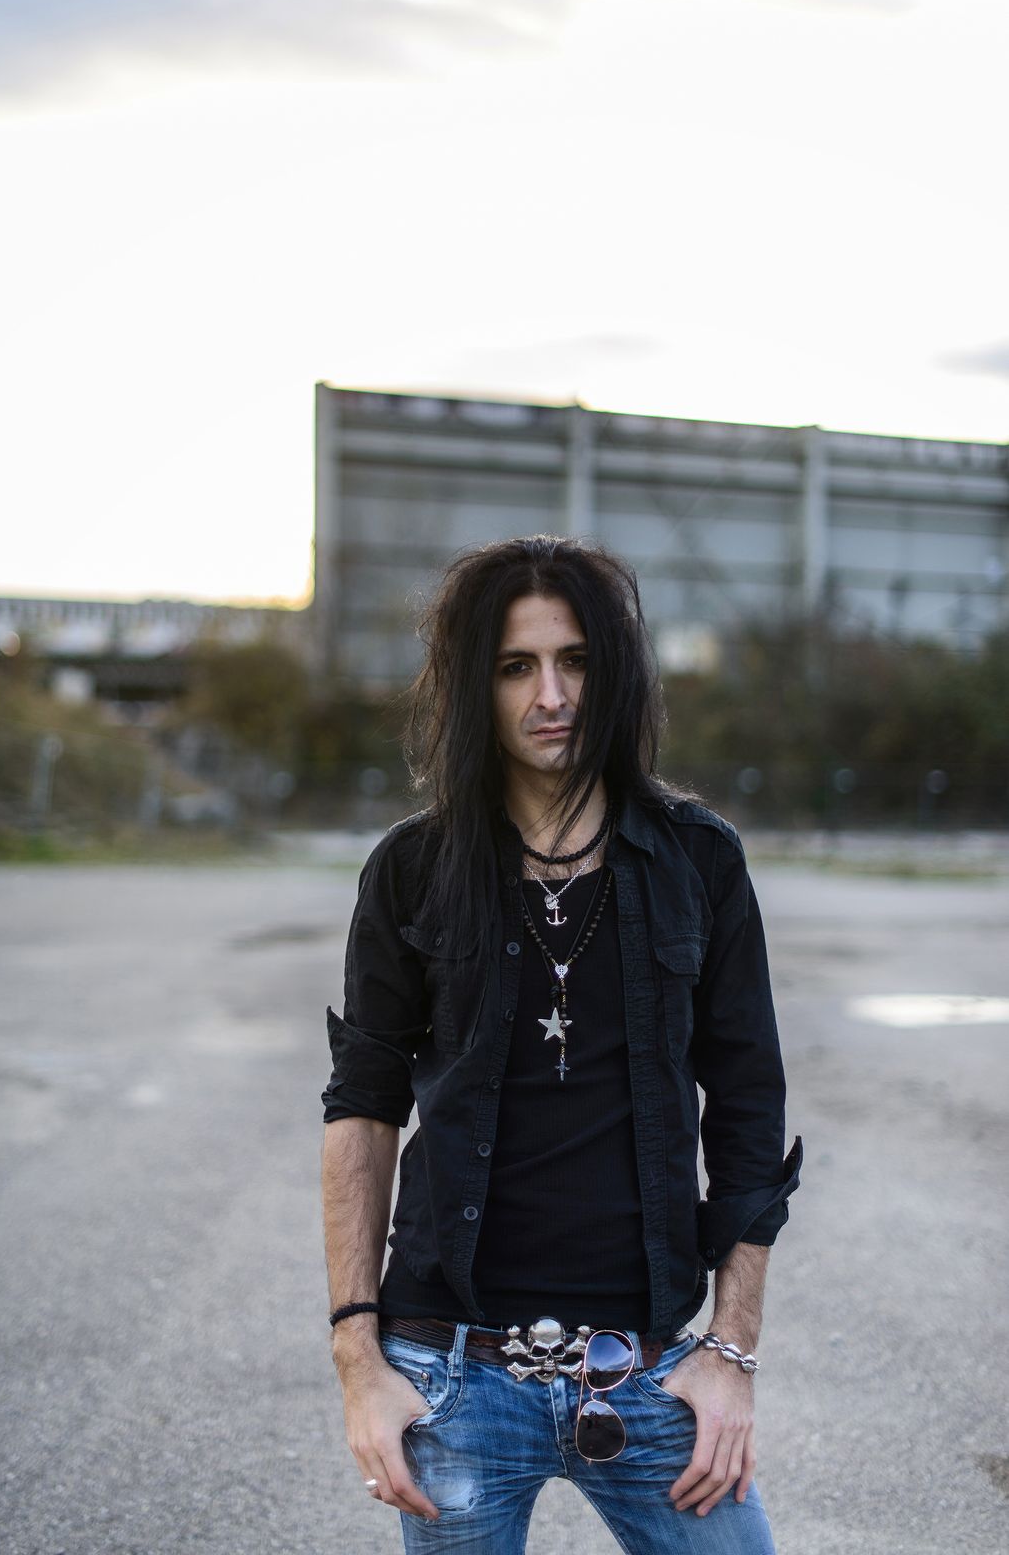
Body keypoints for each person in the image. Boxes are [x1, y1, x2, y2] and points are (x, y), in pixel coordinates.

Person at [321, 536, 802, 1554]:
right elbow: (363, 1106)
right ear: (475, 687)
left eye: (576, 660)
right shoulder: (413, 868)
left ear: (614, 670)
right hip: (452, 1370)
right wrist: (360, 1361)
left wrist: (731, 1352)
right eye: (516, 666)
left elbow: (750, 1108)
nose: (552, 694)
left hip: (649, 1365)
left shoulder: (698, 861)